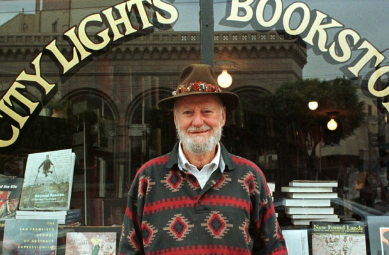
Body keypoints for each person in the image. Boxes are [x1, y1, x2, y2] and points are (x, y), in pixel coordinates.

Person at [118, 64, 287, 254]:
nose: (198, 122)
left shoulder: (250, 177)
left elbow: (274, 249)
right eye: (188, 112)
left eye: (207, 111)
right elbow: (128, 251)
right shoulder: (147, 178)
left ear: (222, 117)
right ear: (175, 119)